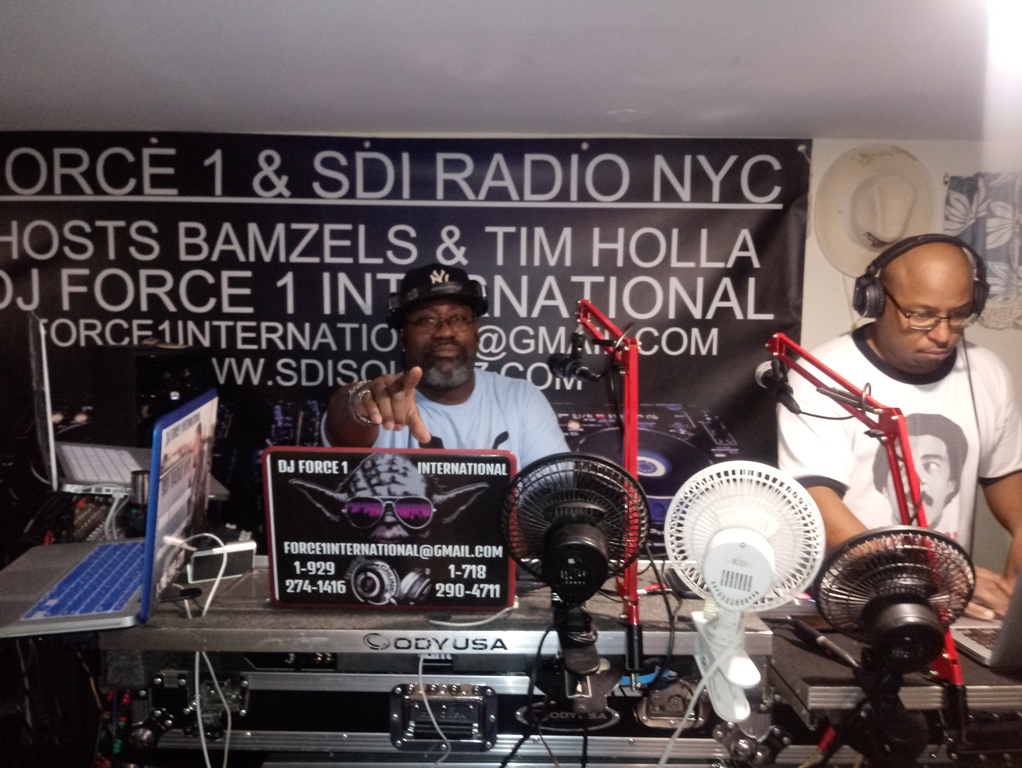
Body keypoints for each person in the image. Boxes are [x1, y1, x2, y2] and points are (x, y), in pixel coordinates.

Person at [777, 234, 1022, 619]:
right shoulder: (821, 377)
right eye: (921, 315)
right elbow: (817, 501)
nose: (943, 334)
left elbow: (1004, 472)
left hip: (944, 604)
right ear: (875, 301)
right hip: (846, 607)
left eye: (959, 314)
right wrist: (933, 573)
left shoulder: (987, 372)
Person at [323, 262, 569, 470]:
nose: (445, 332)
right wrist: (361, 404)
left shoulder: (522, 398)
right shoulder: (382, 400)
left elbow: (554, 493)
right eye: (426, 320)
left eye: (459, 318)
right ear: (403, 337)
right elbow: (344, 416)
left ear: (477, 331)